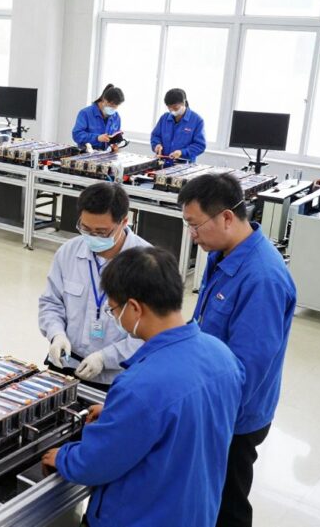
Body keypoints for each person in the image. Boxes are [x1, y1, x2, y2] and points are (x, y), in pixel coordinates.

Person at [41, 247, 244, 527]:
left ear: (134, 308)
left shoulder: (140, 386)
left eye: (113, 309)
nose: (115, 317)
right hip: (196, 512)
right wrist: (118, 413)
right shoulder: (223, 357)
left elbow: (97, 463)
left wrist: (63, 458)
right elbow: (185, 418)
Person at [178, 173, 296, 527]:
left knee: (228, 502)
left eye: (195, 225)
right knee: (205, 493)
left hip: (234, 416)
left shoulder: (262, 278)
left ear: (227, 217)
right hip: (211, 399)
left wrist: (208, 415)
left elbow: (248, 369)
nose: (192, 235)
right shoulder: (222, 252)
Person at [38, 182, 150, 390]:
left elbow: (150, 332)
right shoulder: (68, 252)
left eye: (101, 232)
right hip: (66, 363)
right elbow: (50, 302)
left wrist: (104, 357)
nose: (91, 237)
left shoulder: (147, 263)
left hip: (117, 377)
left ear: (124, 221)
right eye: (85, 228)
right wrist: (56, 334)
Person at [150, 88, 206, 162]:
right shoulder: (164, 118)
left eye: (175, 107)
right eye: (169, 108)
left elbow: (200, 145)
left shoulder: (197, 120)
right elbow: (155, 136)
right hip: (163, 163)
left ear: (184, 102)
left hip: (184, 166)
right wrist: (157, 145)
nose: (172, 110)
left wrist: (182, 152)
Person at [73, 84, 124, 152]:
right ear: (104, 100)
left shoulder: (116, 117)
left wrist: (115, 145)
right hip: (86, 154)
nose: (113, 109)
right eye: (111, 106)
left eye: (116, 107)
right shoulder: (85, 113)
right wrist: (97, 138)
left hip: (105, 156)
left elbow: (115, 136)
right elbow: (77, 135)